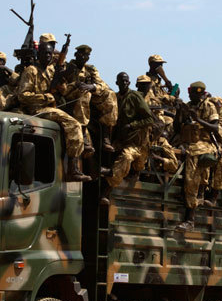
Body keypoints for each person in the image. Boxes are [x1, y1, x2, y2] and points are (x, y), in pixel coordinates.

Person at [14, 42, 91, 182]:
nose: (48, 56)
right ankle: (72, 168)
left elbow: (63, 91)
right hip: (36, 109)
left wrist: (65, 84)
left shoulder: (51, 70)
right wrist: (47, 97)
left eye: (50, 53)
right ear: (39, 54)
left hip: (51, 107)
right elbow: (23, 96)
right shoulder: (31, 71)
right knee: (73, 124)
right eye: (45, 53)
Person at [100, 73, 155, 204]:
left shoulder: (134, 96)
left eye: (126, 81)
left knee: (126, 157)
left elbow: (150, 119)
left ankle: (106, 191)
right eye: (121, 81)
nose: (124, 83)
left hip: (136, 144)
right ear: (117, 83)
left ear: (129, 83)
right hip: (120, 140)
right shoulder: (116, 97)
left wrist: (132, 125)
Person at [175, 81, 219, 232]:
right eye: (191, 92)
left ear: (201, 94)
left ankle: (190, 219)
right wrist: (179, 112)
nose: (191, 94)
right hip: (186, 143)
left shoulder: (209, 106)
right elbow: (177, 127)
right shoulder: (187, 106)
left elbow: (215, 127)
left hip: (202, 145)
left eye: (195, 93)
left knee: (191, 178)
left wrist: (198, 119)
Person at [63, 45, 118, 153]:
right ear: (75, 55)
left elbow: (102, 85)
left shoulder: (90, 69)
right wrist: (76, 85)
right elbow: (62, 87)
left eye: (86, 55)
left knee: (110, 94)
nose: (84, 57)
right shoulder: (67, 67)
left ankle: (106, 134)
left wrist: (92, 86)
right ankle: (83, 132)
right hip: (69, 97)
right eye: (81, 54)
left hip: (86, 96)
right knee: (85, 93)